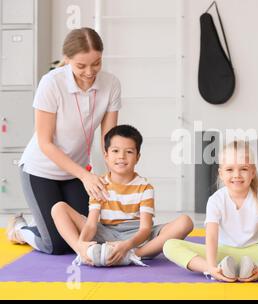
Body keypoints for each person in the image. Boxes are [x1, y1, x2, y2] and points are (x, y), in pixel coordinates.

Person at [6, 28, 122, 254]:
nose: (90, 72)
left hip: (74, 174)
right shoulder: (51, 83)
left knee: (87, 234)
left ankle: (41, 223)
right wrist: (86, 175)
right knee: (56, 245)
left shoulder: (111, 84)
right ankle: (20, 229)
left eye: (96, 63)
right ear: (67, 59)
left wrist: (115, 174)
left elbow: (109, 139)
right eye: (81, 66)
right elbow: (45, 142)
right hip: (40, 171)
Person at [163, 141, 258, 282]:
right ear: (221, 173)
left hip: (255, 252)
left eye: (243, 169)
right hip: (221, 253)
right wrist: (210, 266)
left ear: (252, 172)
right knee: (169, 245)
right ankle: (218, 269)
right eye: (230, 169)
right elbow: (211, 236)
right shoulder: (216, 200)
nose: (236, 175)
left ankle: (255, 268)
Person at [51, 124, 194, 266]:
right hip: (106, 233)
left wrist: (127, 246)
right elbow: (91, 224)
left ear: (137, 157)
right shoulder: (99, 184)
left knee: (185, 222)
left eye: (129, 152)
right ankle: (82, 251)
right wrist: (82, 243)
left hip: (137, 237)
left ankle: (134, 255)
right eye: (115, 151)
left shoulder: (145, 188)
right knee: (58, 208)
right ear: (106, 156)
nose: (121, 156)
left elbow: (145, 229)